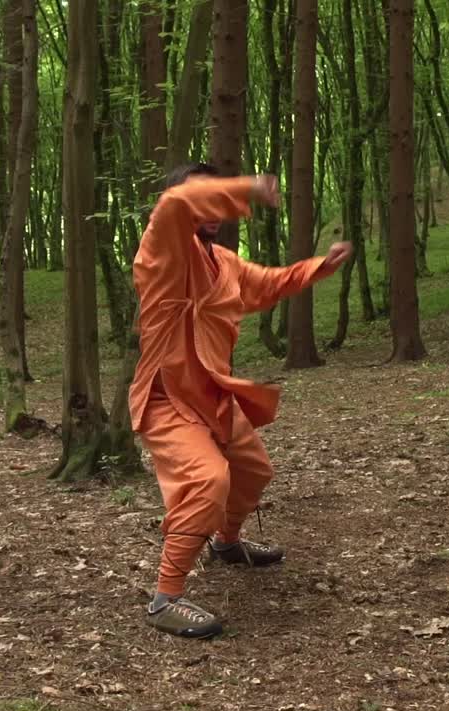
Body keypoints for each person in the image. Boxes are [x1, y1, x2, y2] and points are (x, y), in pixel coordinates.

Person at [130, 163, 351, 638]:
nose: (212, 209)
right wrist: (244, 187)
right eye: (202, 198)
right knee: (209, 480)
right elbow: (172, 204)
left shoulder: (225, 262)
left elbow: (267, 283)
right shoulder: (162, 251)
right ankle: (165, 597)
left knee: (252, 471)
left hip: (214, 397)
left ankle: (227, 544)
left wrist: (319, 267)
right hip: (169, 400)